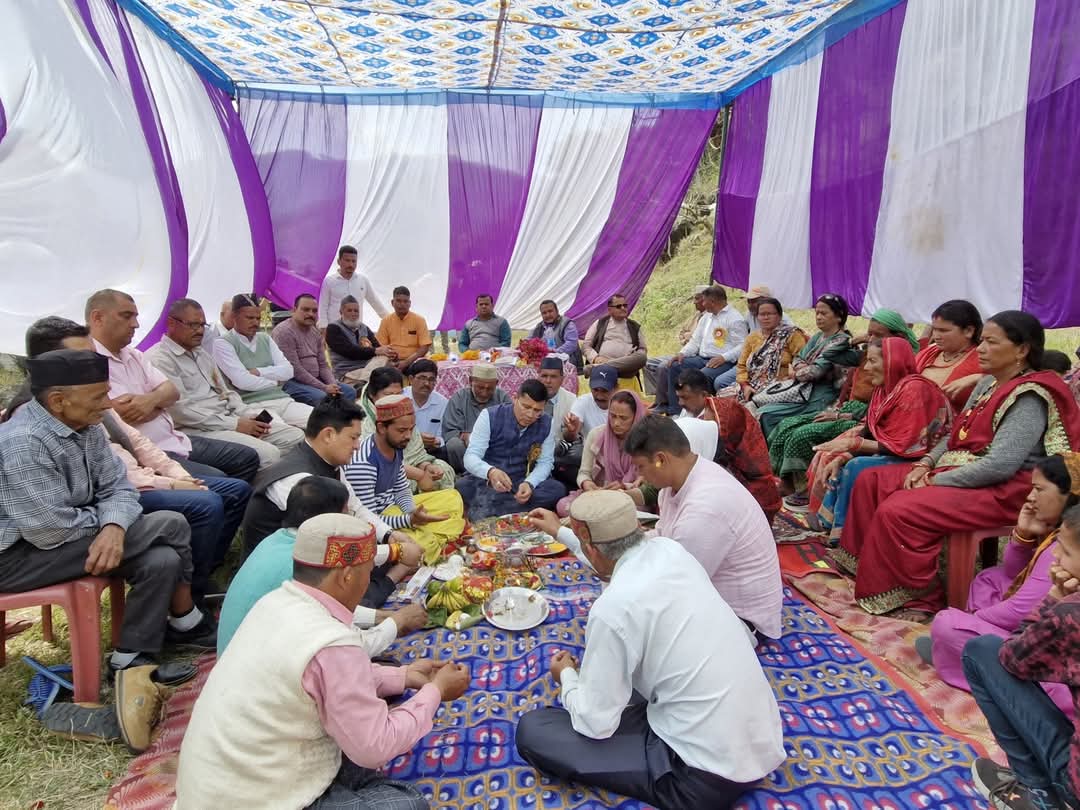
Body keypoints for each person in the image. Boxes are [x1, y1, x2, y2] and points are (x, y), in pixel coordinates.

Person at [174, 513, 471, 810]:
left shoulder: (276, 601)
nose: (368, 581)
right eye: (368, 572)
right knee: (407, 804)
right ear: (346, 576)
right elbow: (374, 746)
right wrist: (436, 692)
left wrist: (403, 676)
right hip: (256, 796)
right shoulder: (332, 643)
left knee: (372, 699)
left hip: (222, 781)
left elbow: (324, 676)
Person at [516, 491, 785, 810]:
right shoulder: (670, 551)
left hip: (699, 776)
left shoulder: (613, 609)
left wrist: (568, 678)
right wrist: (560, 532)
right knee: (628, 678)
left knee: (535, 730)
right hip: (760, 740)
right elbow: (608, 561)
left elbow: (595, 723)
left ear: (589, 545)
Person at [834, 311, 1080, 618]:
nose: (980, 350)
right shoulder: (987, 384)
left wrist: (936, 481)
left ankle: (918, 598)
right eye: (982, 342)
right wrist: (926, 463)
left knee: (902, 509)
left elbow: (1001, 466)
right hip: (964, 470)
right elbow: (954, 434)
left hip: (1008, 489)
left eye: (991, 342)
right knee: (871, 480)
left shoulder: (1030, 396)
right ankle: (869, 571)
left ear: (1022, 350)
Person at [0, 349, 213, 684]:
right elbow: (49, 530)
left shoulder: (87, 426)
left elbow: (120, 488)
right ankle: (186, 619)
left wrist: (114, 526)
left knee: (161, 559)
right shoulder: (23, 442)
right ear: (58, 401)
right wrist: (110, 523)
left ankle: (128, 660)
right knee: (170, 523)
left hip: (69, 539)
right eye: (99, 396)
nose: (108, 404)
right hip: (18, 557)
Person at [13, 318, 251, 602]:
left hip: (109, 499)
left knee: (228, 493)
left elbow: (121, 465)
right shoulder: (33, 427)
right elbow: (52, 527)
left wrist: (175, 478)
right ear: (50, 364)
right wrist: (117, 520)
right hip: (49, 541)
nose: (96, 363)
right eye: (84, 356)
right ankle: (189, 600)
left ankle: (187, 597)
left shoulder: (86, 400)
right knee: (188, 513)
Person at [923, 453, 1079, 717]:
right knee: (990, 579)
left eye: (1039, 489)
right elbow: (1012, 573)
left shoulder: (1064, 544)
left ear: (1069, 495)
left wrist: (967, 620)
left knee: (947, 624)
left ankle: (971, 664)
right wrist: (1024, 534)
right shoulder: (1064, 535)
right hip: (1038, 632)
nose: (1030, 497)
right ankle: (963, 651)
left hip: (1047, 654)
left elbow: (1021, 613)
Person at [217, 476, 427, 656]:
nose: (350, 520)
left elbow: (327, 610)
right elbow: (351, 647)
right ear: (327, 521)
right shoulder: (303, 564)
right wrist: (396, 622)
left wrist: (381, 617)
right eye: (346, 514)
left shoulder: (280, 540)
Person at [623, 415, 783, 640]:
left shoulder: (706, 506)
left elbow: (677, 584)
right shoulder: (680, 480)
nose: (640, 475)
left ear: (660, 459)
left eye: (641, 467)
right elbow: (663, 536)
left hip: (740, 618)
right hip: (704, 591)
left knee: (632, 626)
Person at [964, 504, 1080, 810]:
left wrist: (1054, 598)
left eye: (1065, 551)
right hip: (1003, 606)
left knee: (981, 651)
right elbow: (1010, 572)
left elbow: (1012, 655)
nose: (1055, 557)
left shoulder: (1071, 614)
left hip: (1076, 783)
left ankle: (1039, 794)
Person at [86, 289, 259, 483]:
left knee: (247, 457)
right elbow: (122, 414)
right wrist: (158, 402)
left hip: (176, 438)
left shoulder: (133, 355)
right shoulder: (89, 363)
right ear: (97, 318)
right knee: (229, 482)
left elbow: (172, 392)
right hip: (149, 452)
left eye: (202, 325)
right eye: (127, 316)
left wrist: (151, 402)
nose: (136, 324)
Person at [763, 306, 910, 507]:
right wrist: (853, 340)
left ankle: (805, 489)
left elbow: (883, 406)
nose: (871, 338)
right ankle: (786, 481)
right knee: (787, 424)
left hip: (860, 416)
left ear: (898, 336)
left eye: (878, 334)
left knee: (803, 434)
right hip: (847, 408)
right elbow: (831, 353)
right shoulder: (868, 353)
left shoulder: (902, 361)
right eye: (869, 333)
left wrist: (841, 416)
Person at [240, 395, 418, 559]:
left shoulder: (329, 464)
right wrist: (395, 552)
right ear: (328, 435)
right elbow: (328, 548)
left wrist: (389, 535)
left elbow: (356, 508)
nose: (357, 446)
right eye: (353, 438)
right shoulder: (298, 480)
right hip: (280, 572)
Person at [812, 337, 952, 542]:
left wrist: (853, 445)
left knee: (858, 465)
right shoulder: (883, 390)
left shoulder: (915, 390)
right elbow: (871, 432)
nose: (867, 368)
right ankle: (828, 523)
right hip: (896, 452)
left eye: (873, 361)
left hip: (922, 458)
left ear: (892, 362)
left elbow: (909, 444)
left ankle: (844, 537)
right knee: (842, 460)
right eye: (866, 361)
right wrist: (842, 456)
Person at [149, 299, 304, 470]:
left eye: (202, 325)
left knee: (294, 436)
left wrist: (246, 415)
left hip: (231, 417)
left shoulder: (201, 354)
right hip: (198, 430)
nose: (200, 331)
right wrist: (235, 425)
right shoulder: (160, 359)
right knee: (268, 454)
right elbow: (182, 412)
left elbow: (227, 393)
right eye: (193, 325)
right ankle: (258, 485)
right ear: (171, 323)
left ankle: (263, 477)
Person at [343, 394, 465, 565]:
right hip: (381, 522)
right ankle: (430, 538)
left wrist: (412, 511)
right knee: (423, 546)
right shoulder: (364, 464)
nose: (408, 436)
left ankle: (430, 533)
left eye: (411, 429)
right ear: (382, 427)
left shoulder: (396, 444)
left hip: (396, 510)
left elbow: (401, 488)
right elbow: (370, 521)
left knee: (452, 497)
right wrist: (409, 520)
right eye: (402, 430)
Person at [673, 370, 781, 524]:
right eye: (678, 397)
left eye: (685, 398)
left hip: (740, 472)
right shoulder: (687, 412)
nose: (680, 403)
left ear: (704, 395)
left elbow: (717, 457)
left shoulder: (726, 413)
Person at [456, 379, 565, 520]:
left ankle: (495, 510)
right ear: (515, 398)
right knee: (463, 486)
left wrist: (530, 484)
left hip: (521, 479)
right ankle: (512, 510)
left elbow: (545, 462)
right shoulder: (489, 416)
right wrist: (490, 472)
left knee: (557, 489)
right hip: (488, 481)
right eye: (526, 407)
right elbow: (471, 457)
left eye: (537, 410)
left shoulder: (546, 423)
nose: (530, 415)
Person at [755, 293, 860, 438]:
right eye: (817, 313)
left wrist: (797, 372)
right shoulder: (818, 337)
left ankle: (770, 455)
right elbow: (798, 358)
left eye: (824, 313)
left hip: (823, 398)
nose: (818, 317)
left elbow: (815, 371)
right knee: (761, 408)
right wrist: (802, 367)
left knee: (767, 415)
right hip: (804, 391)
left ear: (839, 316)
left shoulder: (841, 341)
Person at [212, 293, 313, 429]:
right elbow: (242, 381)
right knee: (285, 433)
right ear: (234, 317)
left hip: (282, 400)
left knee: (324, 422)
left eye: (258, 318)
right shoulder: (223, 343)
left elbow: (289, 371)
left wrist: (259, 372)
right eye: (249, 318)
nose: (255, 322)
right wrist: (275, 382)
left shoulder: (265, 338)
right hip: (252, 406)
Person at [358, 366, 455, 491]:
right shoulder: (360, 418)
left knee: (442, 469)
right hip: (379, 473)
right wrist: (419, 475)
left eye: (398, 394)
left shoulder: (403, 409)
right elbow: (376, 463)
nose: (395, 399)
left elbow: (417, 454)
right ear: (372, 395)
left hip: (411, 467)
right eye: (388, 394)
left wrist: (426, 466)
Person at [556, 390, 645, 517]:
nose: (616, 423)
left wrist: (625, 486)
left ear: (635, 417)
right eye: (612, 416)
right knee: (563, 505)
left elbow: (647, 484)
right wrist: (588, 484)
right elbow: (583, 473)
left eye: (623, 418)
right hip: (599, 494)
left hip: (629, 498)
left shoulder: (645, 441)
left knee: (635, 511)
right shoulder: (597, 435)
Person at [662, 286, 748, 414]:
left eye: (704, 301)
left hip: (723, 362)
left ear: (713, 301)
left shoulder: (735, 319)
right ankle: (676, 411)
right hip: (701, 358)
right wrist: (682, 353)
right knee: (674, 366)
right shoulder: (706, 317)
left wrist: (724, 357)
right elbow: (695, 340)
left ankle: (703, 412)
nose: (702, 304)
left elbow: (742, 346)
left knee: (701, 376)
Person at [273, 293, 357, 405]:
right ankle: (329, 420)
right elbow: (295, 369)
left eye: (314, 311)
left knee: (349, 392)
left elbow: (323, 364)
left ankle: (340, 420)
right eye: (305, 310)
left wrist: (333, 385)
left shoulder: (314, 332)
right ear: (293, 310)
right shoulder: (284, 332)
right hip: (292, 382)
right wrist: (324, 387)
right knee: (322, 397)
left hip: (316, 380)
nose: (310, 314)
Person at [716, 296, 806, 399]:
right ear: (757, 317)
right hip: (751, 384)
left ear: (780, 316)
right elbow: (741, 366)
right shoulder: (752, 338)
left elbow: (802, 360)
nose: (766, 317)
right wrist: (745, 385)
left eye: (770, 314)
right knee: (720, 399)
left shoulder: (792, 335)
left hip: (780, 385)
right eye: (762, 314)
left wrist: (792, 375)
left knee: (752, 404)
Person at [555, 365, 618, 489]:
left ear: (616, 388)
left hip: (621, 455)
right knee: (570, 455)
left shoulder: (625, 403)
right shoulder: (583, 402)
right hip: (592, 454)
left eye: (604, 391)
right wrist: (571, 431)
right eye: (595, 390)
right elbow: (570, 438)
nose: (599, 395)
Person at [915, 299, 984, 411]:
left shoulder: (983, 359)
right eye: (935, 329)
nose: (936, 336)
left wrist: (979, 378)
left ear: (969, 331)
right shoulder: (927, 354)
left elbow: (1005, 382)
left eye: (943, 330)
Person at [645, 284, 707, 408]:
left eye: (697, 299)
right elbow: (681, 333)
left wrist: (689, 337)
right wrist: (686, 337)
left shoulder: (709, 318)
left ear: (705, 300)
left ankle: (664, 403)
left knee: (664, 366)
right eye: (694, 299)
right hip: (684, 350)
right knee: (649, 363)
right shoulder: (695, 316)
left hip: (695, 355)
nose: (694, 302)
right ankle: (659, 397)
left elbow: (699, 341)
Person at [441, 363, 509, 473]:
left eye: (490, 389)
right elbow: (450, 431)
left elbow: (510, 428)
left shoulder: (502, 398)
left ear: (496, 384)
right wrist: (466, 438)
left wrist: (482, 439)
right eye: (480, 387)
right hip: (466, 448)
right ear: (471, 381)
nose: (484, 392)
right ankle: (467, 474)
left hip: (494, 444)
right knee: (454, 444)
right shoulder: (459, 398)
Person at [316, 244, 389, 331]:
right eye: (347, 260)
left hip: (356, 330)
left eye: (354, 261)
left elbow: (375, 302)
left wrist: (391, 320)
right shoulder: (329, 281)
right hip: (334, 331)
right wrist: (324, 328)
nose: (351, 264)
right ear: (339, 261)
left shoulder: (363, 280)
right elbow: (323, 307)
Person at [326, 295, 392, 384]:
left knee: (384, 357)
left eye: (356, 311)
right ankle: (367, 382)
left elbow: (377, 347)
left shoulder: (364, 328)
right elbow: (349, 351)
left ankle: (364, 382)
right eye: (349, 310)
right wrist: (376, 351)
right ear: (341, 311)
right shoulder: (333, 328)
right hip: (347, 372)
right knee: (383, 373)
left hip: (367, 369)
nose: (353, 314)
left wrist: (388, 352)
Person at [582, 294, 647, 379]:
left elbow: (643, 349)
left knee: (642, 357)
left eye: (625, 305)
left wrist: (629, 358)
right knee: (622, 371)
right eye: (619, 306)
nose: (623, 308)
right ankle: (607, 367)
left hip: (625, 365)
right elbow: (586, 346)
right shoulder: (600, 323)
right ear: (609, 310)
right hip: (606, 365)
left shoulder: (634, 326)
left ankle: (601, 368)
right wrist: (595, 358)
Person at [375, 286, 431, 373]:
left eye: (405, 301)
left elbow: (424, 347)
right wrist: (390, 361)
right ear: (392, 302)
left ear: (410, 303)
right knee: (378, 368)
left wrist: (406, 362)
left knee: (425, 368)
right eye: (398, 301)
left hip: (414, 360)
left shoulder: (419, 320)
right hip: (392, 361)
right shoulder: (386, 321)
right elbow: (381, 346)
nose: (402, 304)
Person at [403, 359, 449, 460]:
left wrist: (436, 441)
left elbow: (444, 435)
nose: (427, 383)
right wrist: (416, 439)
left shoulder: (442, 402)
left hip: (432, 450)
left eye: (431, 379)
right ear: (410, 379)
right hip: (405, 447)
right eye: (422, 378)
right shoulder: (401, 398)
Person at [530, 299, 582, 370]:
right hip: (544, 364)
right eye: (544, 313)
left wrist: (553, 353)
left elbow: (571, 344)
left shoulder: (567, 324)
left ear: (557, 311)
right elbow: (529, 340)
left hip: (566, 364)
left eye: (550, 311)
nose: (548, 315)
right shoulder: (539, 326)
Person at [539, 355, 576, 440]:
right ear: (539, 377)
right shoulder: (529, 397)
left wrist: (571, 431)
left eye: (553, 377)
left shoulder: (572, 401)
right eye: (544, 376)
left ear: (562, 379)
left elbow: (573, 437)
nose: (548, 381)